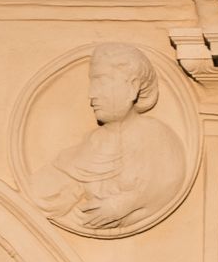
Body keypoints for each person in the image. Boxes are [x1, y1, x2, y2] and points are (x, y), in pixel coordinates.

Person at [32, 43, 189, 234]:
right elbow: (48, 191)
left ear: (132, 87)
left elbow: (165, 186)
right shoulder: (91, 143)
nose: (92, 94)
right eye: (92, 83)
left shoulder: (156, 136)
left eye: (101, 82)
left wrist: (125, 204)